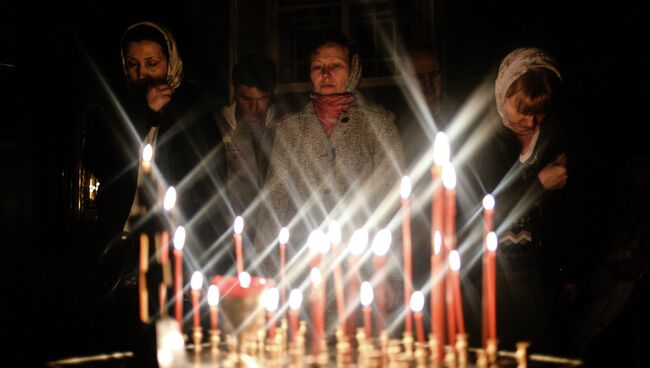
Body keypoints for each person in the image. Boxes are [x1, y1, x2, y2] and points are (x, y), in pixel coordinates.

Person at [84, 21, 225, 352]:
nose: (143, 73)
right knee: (119, 338)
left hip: (176, 247)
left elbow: (211, 173)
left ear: (170, 63)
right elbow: (99, 161)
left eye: (152, 63)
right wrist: (142, 113)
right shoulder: (113, 109)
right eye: (133, 65)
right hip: (121, 245)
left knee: (170, 339)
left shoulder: (193, 108)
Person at [253, 32, 404, 287]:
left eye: (335, 66)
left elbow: (392, 201)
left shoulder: (377, 124)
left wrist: (389, 275)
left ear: (353, 70)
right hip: (304, 267)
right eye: (317, 67)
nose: (325, 74)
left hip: (361, 267)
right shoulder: (291, 129)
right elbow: (275, 202)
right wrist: (264, 275)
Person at [464, 47, 572, 353]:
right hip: (487, 271)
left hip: (535, 270)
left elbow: (568, 212)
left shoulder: (556, 136)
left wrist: (568, 270)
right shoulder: (481, 139)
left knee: (536, 351)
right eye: (521, 110)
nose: (531, 121)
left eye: (540, 111)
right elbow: (486, 207)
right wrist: (539, 183)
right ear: (502, 95)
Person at [216, 55, 282, 246]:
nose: (254, 107)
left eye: (262, 99)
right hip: (231, 231)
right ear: (234, 89)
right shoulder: (219, 125)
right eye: (246, 98)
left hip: (275, 230)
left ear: (272, 91)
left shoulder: (286, 124)